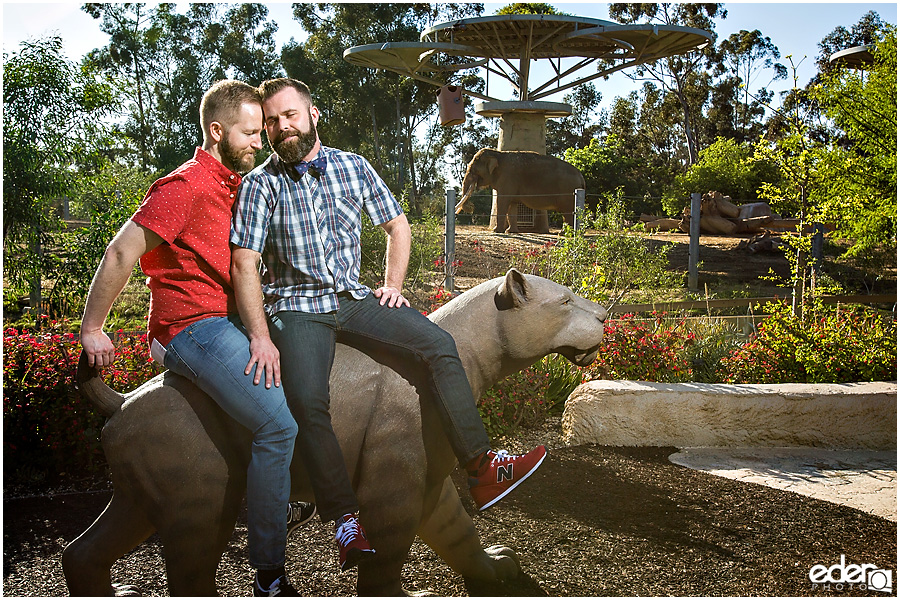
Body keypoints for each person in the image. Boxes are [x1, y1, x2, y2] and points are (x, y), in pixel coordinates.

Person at [230, 77, 547, 572]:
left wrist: (392, 283)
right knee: (309, 399)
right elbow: (243, 264)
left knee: (439, 344)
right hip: (297, 306)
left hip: (353, 299)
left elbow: (397, 227)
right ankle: (343, 519)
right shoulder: (260, 184)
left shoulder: (353, 167)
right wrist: (260, 334)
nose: (281, 127)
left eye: (289, 115)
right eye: (271, 121)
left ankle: (483, 467)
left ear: (314, 115)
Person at [79, 79, 315, 597]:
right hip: (193, 327)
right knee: (276, 426)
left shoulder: (235, 184)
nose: (262, 140)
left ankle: (283, 488)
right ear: (217, 131)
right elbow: (122, 252)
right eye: (252, 132)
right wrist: (92, 327)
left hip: (227, 319)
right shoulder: (184, 186)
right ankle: (270, 572)